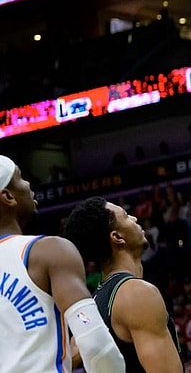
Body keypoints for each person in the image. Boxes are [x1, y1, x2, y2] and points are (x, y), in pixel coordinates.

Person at [0, 155, 125, 372]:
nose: (28, 184)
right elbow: (96, 344)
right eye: (20, 178)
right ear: (8, 196)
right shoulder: (49, 252)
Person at [63, 196, 183, 372]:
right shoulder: (137, 293)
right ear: (118, 237)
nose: (134, 219)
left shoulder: (93, 303)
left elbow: (65, 360)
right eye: (126, 216)